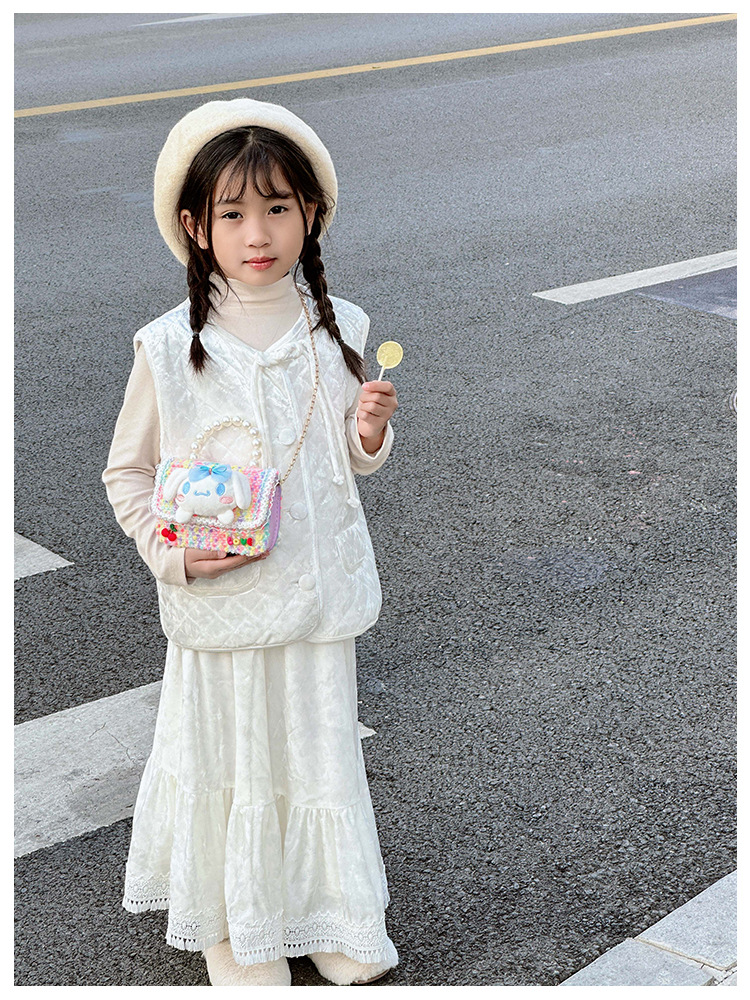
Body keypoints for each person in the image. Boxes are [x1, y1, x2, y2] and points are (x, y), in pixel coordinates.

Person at [102, 98, 400, 987]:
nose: (258, 233)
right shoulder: (168, 346)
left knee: (316, 753)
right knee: (231, 757)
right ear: (196, 227)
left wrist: (370, 432)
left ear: (312, 213)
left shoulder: (342, 326)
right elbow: (126, 473)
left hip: (315, 592)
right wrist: (172, 555)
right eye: (231, 214)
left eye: (277, 208)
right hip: (220, 598)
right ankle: (235, 928)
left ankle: (327, 911)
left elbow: (345, 460)